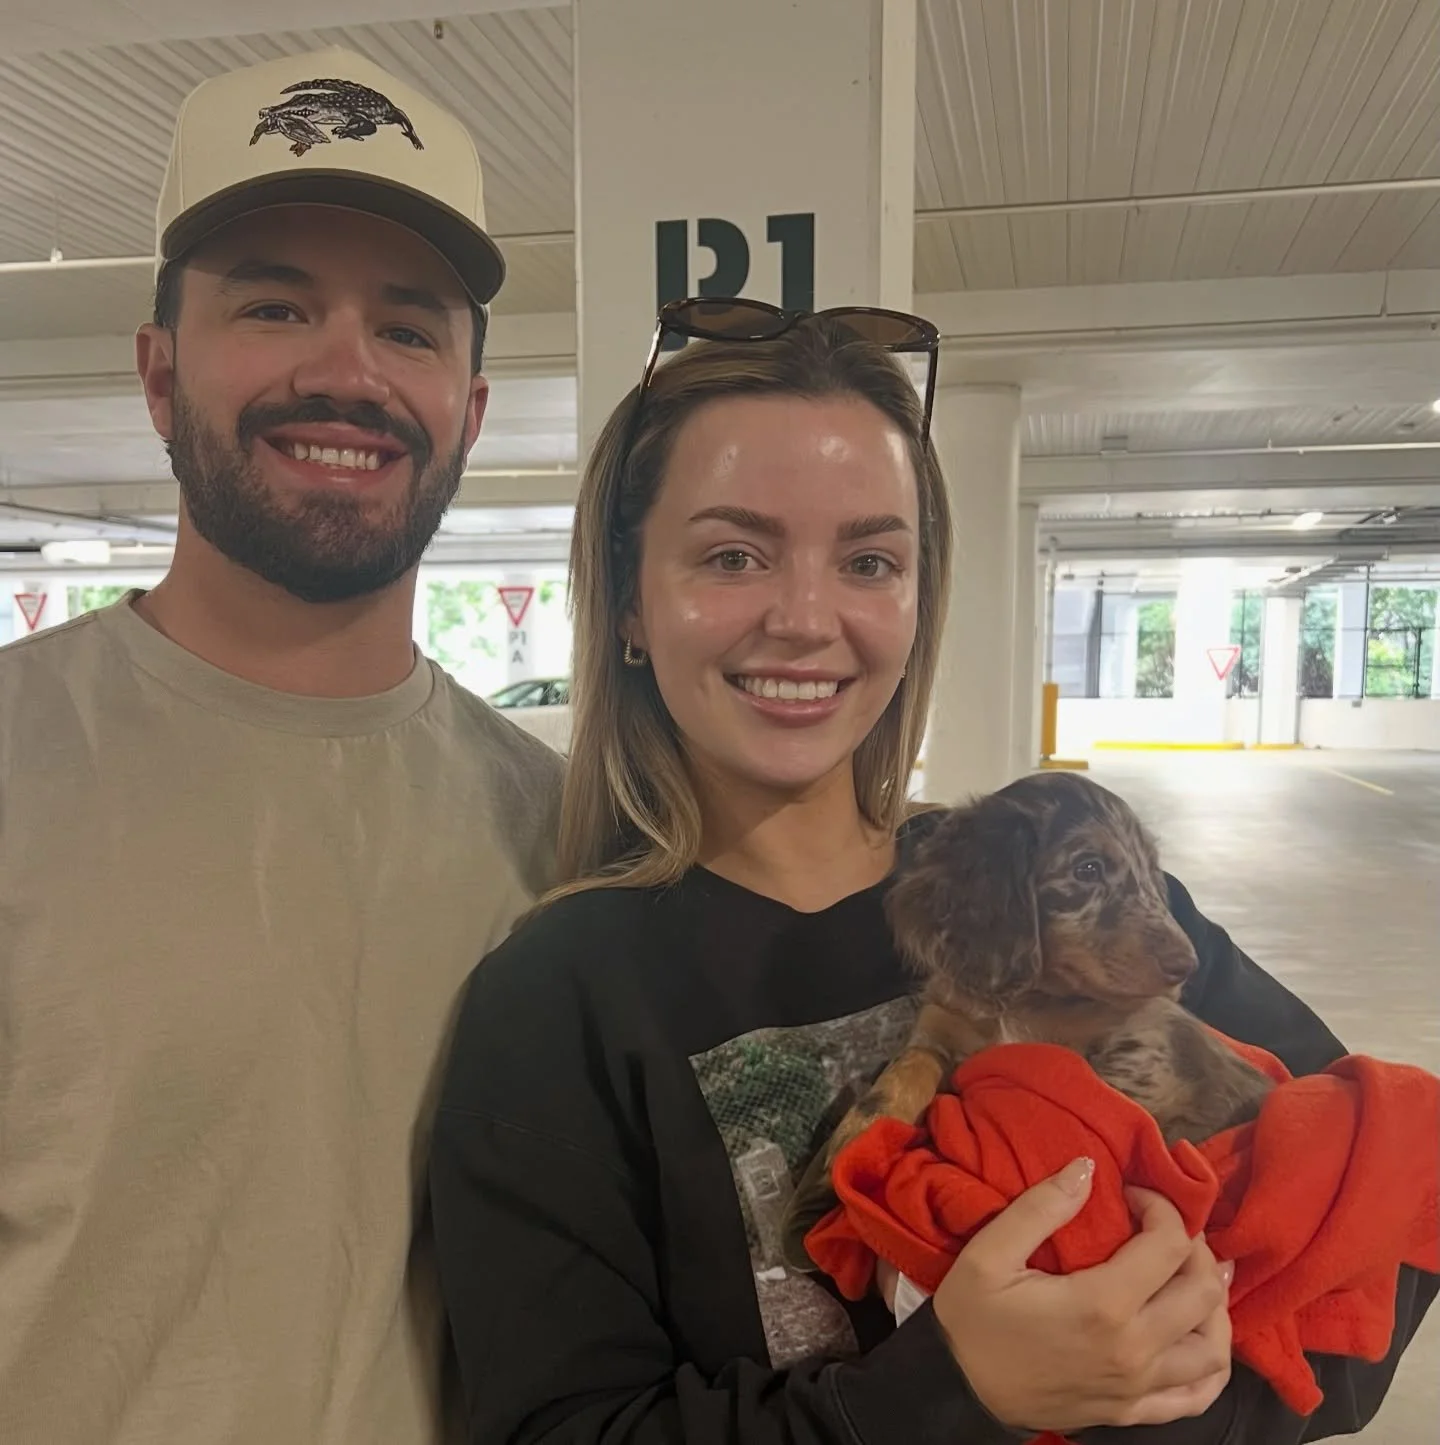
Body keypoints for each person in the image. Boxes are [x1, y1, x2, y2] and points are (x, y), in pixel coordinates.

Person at [429, 300, 1437, 1444]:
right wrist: (953, 1394)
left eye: (869, 558)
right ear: (626, 605)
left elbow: (1387, 1229)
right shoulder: (561, 1001)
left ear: (918, 598)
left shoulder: (1074, 888)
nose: (808, 618)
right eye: (732, 554)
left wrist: (1160, 1392)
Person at [0, 48, 562, 1445]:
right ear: (156, 369)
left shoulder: (555, 829)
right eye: (274, 303)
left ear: (469, 417)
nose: (345, 370)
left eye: (411, 327)